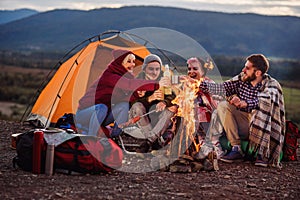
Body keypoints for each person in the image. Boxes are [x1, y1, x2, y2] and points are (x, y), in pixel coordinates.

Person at [199, 54, 285, 167]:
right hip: (244, 125)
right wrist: (198, 84)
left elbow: (266, 101)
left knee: (261, 110)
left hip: (263, 129)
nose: (243, 70)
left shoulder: (271, 85)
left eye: (247, 68)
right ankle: (236, 148)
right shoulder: (242, 79)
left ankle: (263, 152)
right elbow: (222, 88)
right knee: (223, 106)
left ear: (258, 73)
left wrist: (245, 103)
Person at [75, 49, 170, 137]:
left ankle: (116, 136)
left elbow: (124, 99)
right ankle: (91, 139)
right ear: (120, 63)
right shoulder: (109, 75)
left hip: (103, 115)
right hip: (85, 115)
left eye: (133, 61)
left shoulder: (126, 76)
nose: (133, 64)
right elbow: (129, 84)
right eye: (129, 61)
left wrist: (136, 94)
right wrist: (157, 84)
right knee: (101, 107)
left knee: (124, 105)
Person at [125, 54, 177, 153]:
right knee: (137, 106)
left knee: (171, 110)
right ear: (144, 69)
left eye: (157, 69)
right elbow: (132, 102)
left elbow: (172, 96)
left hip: (157, 115)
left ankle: (149, 141)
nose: (155, 72)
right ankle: (155, 141)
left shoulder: (163, 79)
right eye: (151, 69)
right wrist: (150, 98)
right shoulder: (137, 81)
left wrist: (164, 102)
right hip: (140, 116)